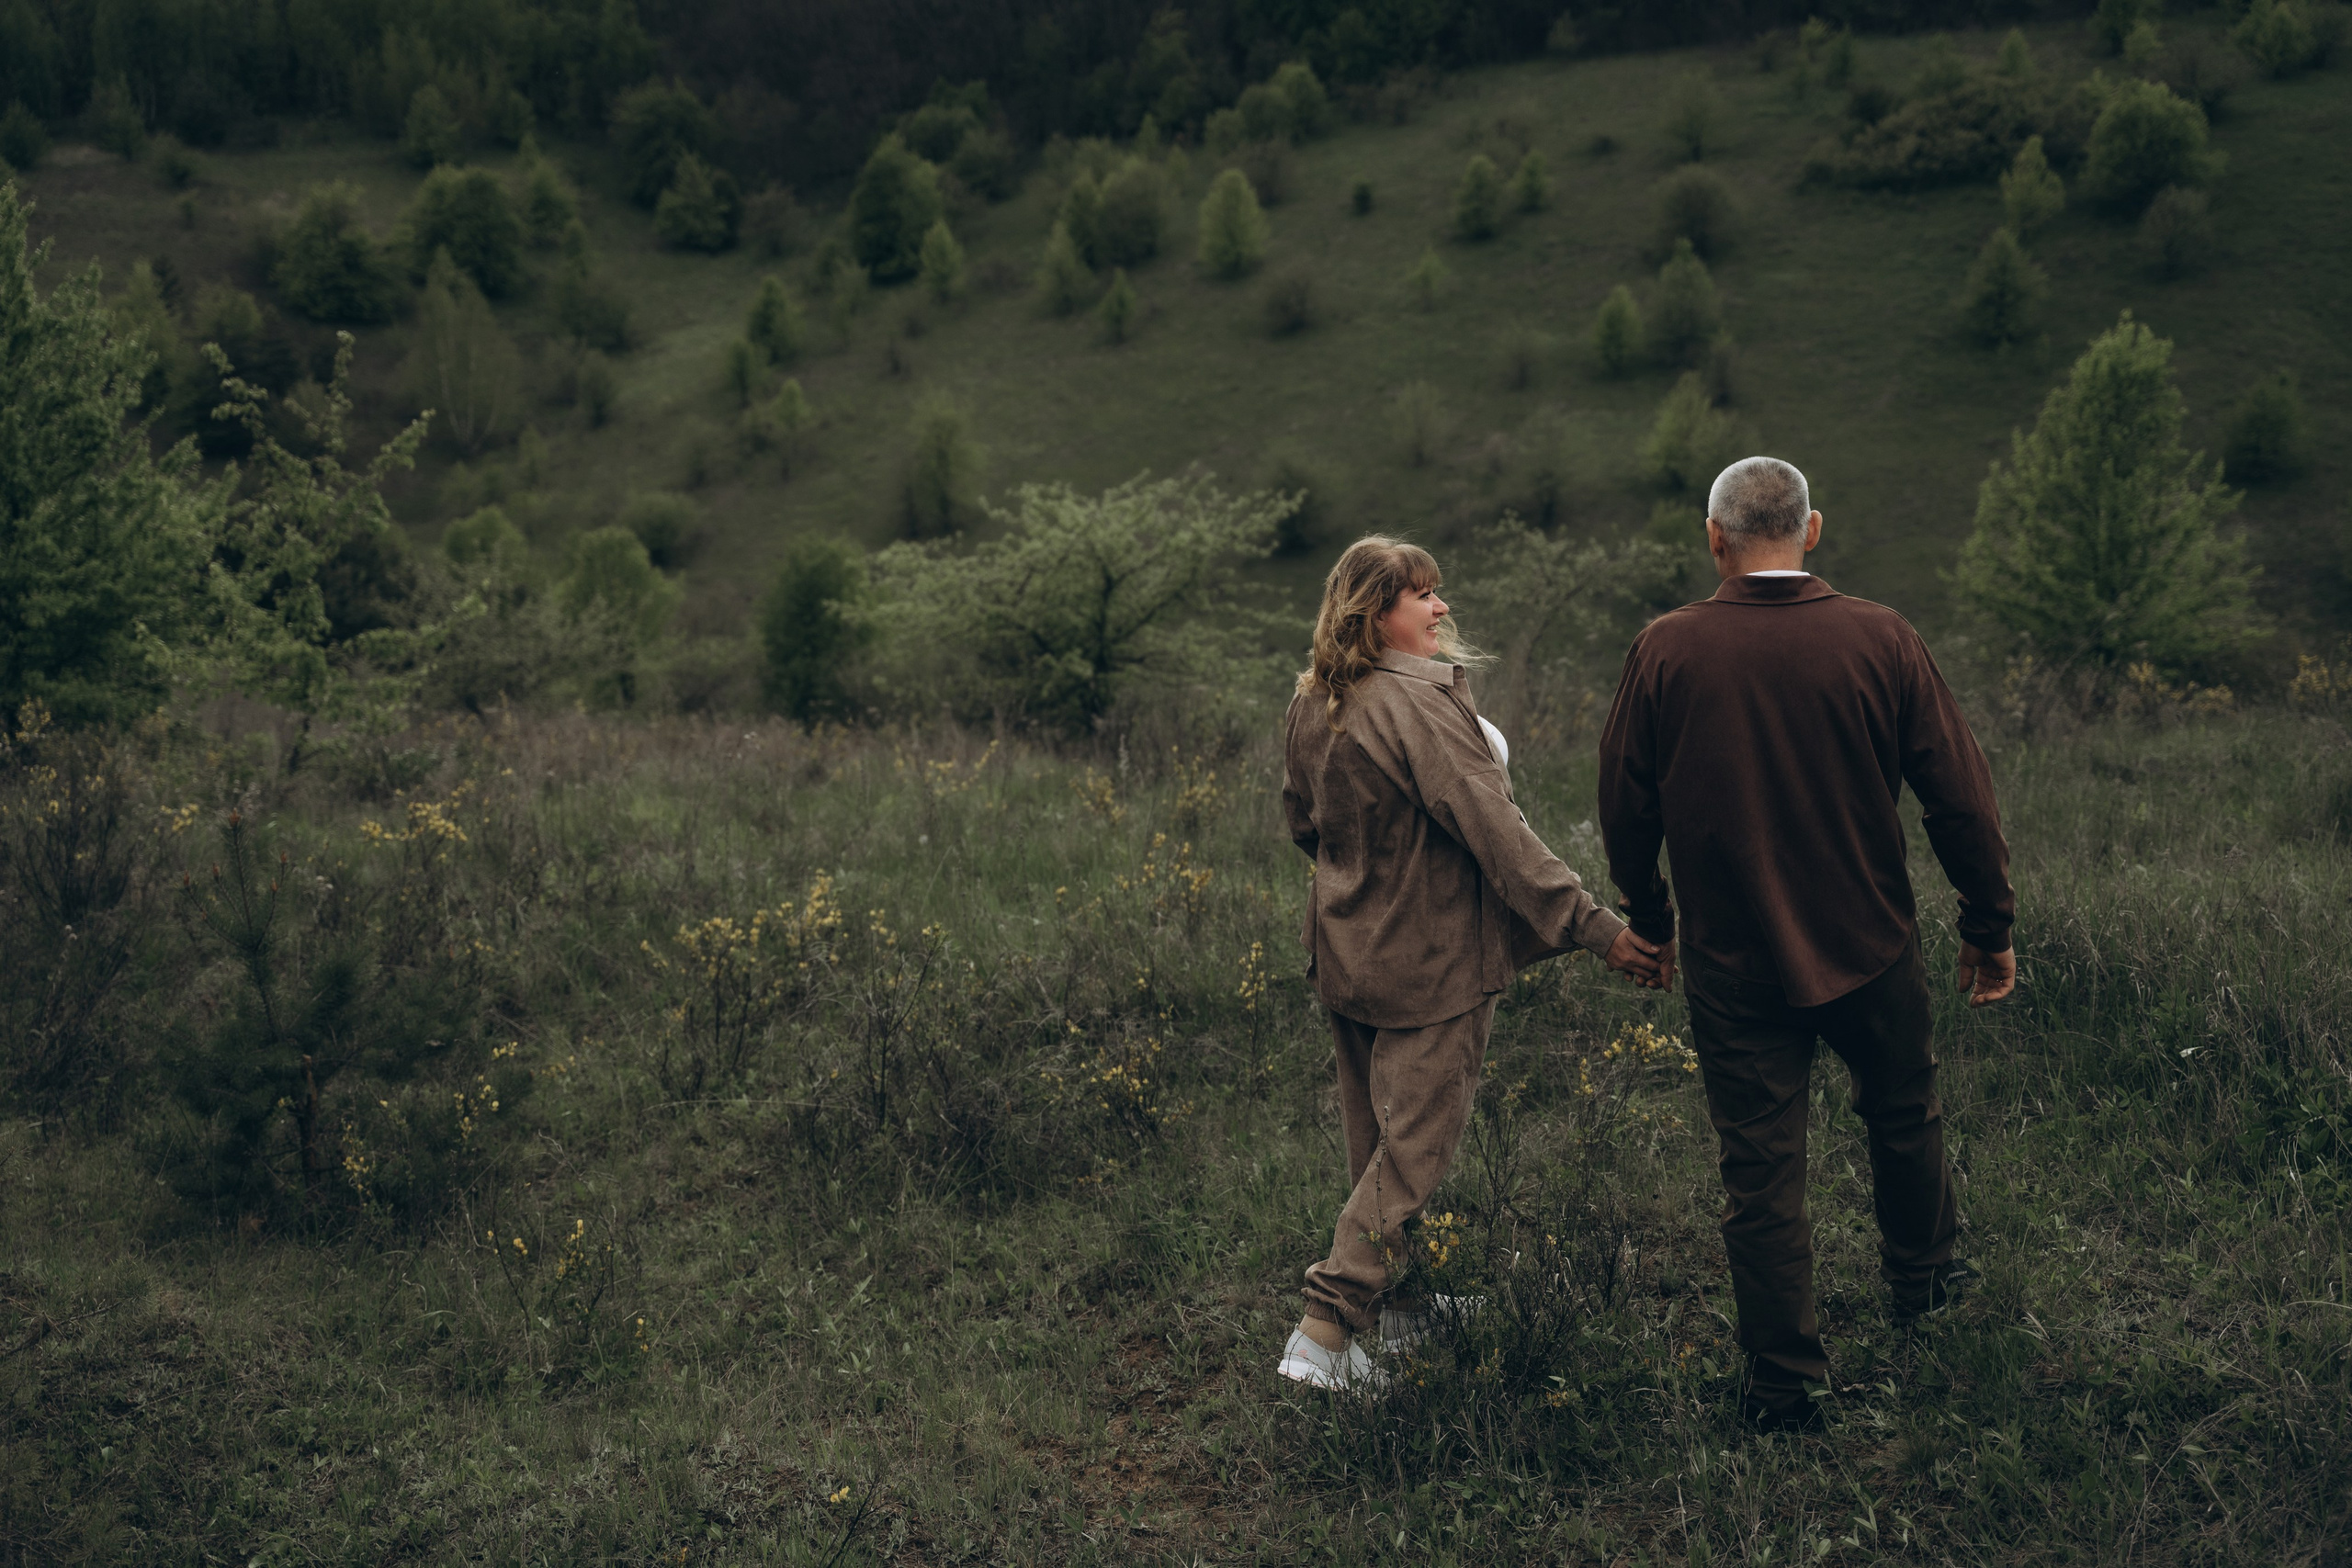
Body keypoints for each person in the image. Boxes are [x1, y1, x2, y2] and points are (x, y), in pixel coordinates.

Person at [1597, 457, 2017, 1433]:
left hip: (1732, 958)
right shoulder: (1881, 637)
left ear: (1714, 539)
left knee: (1759, 1170)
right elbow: (1960, 795)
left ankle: (1783, 1387)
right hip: (1869, 939)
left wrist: (1649, 921)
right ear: (1812, 529)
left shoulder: (1665, 650)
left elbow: (1624, 803)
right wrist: (1987, 927)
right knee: (1904, 1113)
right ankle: (1924, 1290)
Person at [1278, 536, 1667, 1389]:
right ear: (1378, 612)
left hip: (1346, 950)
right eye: (1424, 595)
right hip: (1429, 959)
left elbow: (1303, 823)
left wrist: (1366, 874)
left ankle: (1405, 1310)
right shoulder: (1416, 703)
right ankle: (1324, 1334)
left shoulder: (1317, 699)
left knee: (1376, 1146)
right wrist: (1599, 930)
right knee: (1412, 1155)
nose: (1442, 608)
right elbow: (1498, 835)